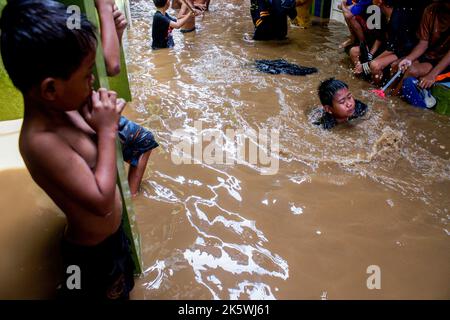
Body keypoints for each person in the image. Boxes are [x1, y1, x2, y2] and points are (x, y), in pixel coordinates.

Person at [0, 0, 134, 299]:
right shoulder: (41, 141)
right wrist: (107, 130)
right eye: (87, 74)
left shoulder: (67, 103)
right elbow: (101, 201)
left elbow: (108, 66)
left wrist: (112, 25)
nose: (92, 81)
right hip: (91, 256)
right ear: (50, 88)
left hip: (112, 239)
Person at [95, 0, 160, 196]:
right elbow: (111, 67)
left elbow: (107, 66)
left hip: (85, 104)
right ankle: (132, 195)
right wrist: (105, 10)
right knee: (144, 139)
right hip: (87, 110)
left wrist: (117, 32)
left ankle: (131, 195)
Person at [396, 1, 450, 93]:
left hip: (445, 62)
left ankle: (393, 98)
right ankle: (389, 96)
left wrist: (432, 75)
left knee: (412, 70)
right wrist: (409, 59)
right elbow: (423, 43)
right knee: (397, 66)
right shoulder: (431, 10)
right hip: (429, 55)